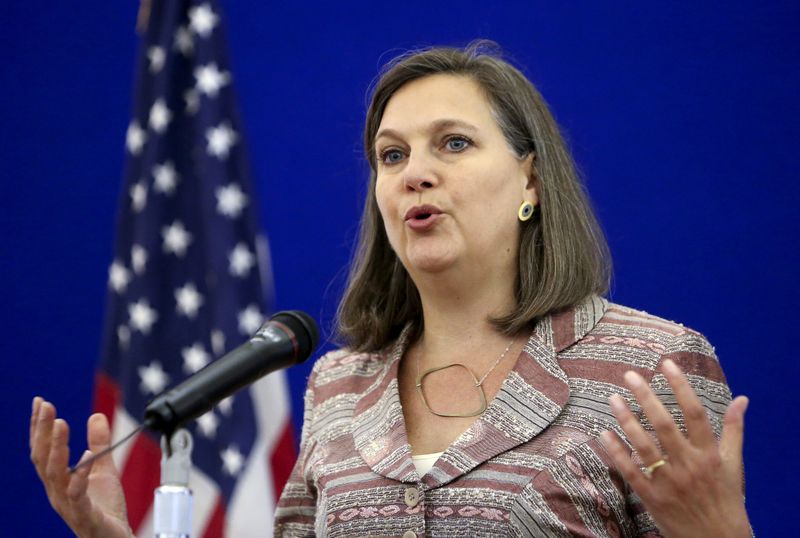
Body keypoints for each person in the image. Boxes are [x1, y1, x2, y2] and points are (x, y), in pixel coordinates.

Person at [30, 42, 751, 537]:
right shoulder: (339, 385)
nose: (415, 173)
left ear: (531, 179)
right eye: (392, 154)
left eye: (454, 143)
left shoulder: (651, 368)